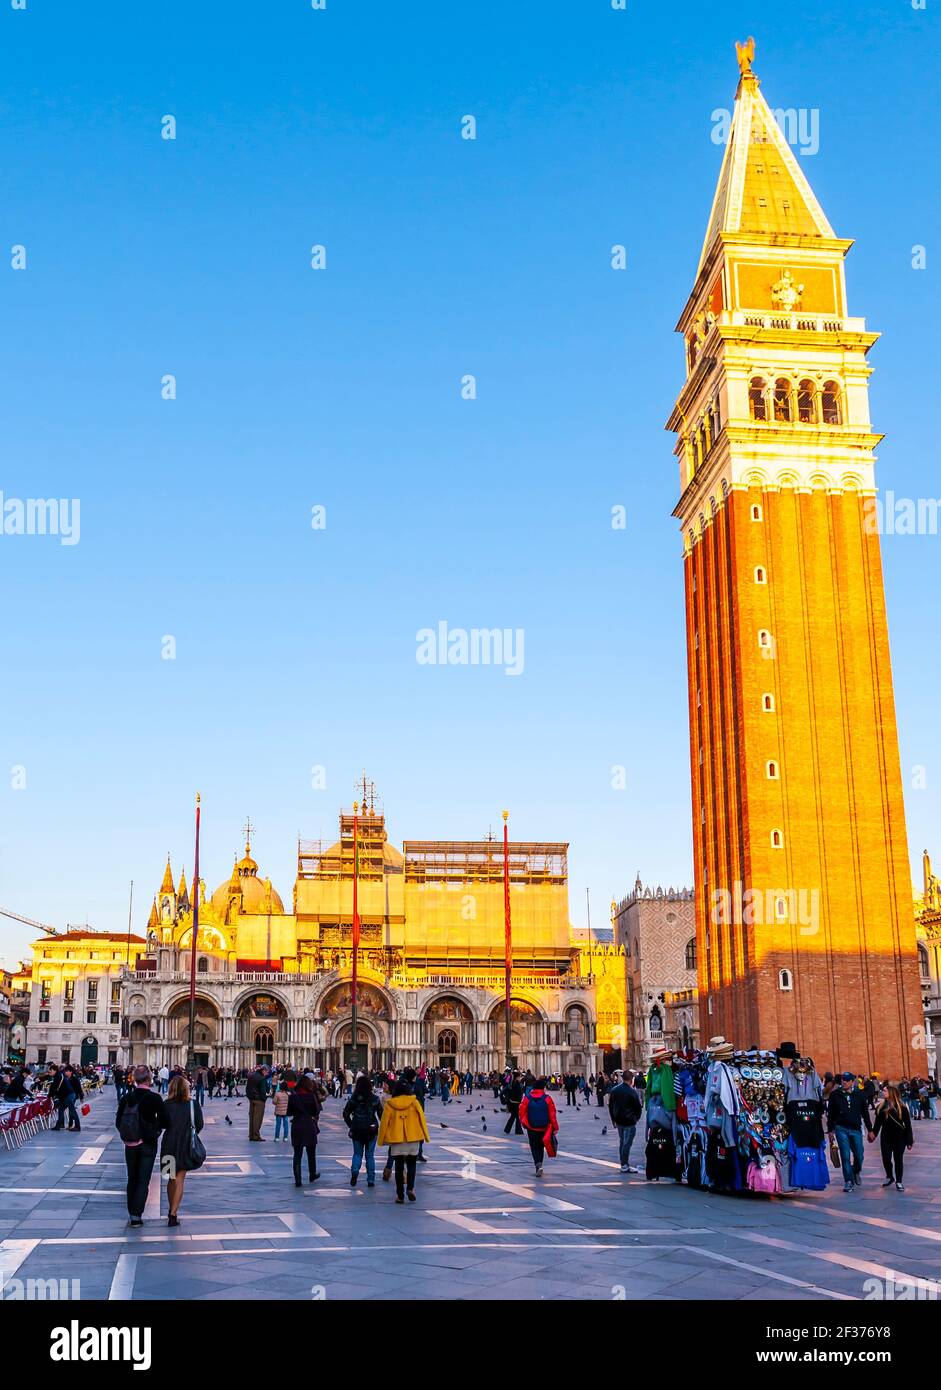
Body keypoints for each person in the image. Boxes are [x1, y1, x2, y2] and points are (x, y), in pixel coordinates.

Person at [116, 1064, 170, 1226]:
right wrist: (154, 1131)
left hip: (130, 1144)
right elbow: (166, 1121)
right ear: (149, 1079)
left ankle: (132, 1212)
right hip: (147, 1144)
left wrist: (129, 1136)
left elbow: (119, 1122)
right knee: (142, 1180)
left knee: (132, 1178)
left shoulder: (126, 1098)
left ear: (134, 1079)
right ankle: (136, 1216)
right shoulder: (154, 1098)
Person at [377, 1077, 430, 1203]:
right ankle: (410, 1188)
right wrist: (425, 1136)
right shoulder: (415, 1102)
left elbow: (384, 1123)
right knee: (412, 1165)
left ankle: (400, 1195)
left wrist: (381, 1140)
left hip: (397, 1139)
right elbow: (422, 1119)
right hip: (413, 1138)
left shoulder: (390, 1104)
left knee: (399, 1167)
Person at [161, 1073, 204, 1226]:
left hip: (169, 1144)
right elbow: (199, 1124)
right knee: (180, 1179)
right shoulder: (193, 1104)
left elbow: (162, 1124)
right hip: (185, 1144)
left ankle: (171, 1209)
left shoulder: (165, 1105)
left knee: (170, 1178)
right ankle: (173, 1214)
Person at [826, 1070, 874, 1193]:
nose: (844, 1082)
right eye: (843, 1079)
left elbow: (865, 1113)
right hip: (841, 1128)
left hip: (855, 1128)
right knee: (845, 1156)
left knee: (859, 1154)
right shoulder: (835, 1095)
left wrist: (870, 1130)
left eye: (847, 1080)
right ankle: (848, 1180)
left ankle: (856, 1170)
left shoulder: (859, 1094)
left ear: (853, 1082)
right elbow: (830, 1114)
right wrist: (830, 1130)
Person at [870, 1083, 914, 1191]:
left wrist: (910, 1140)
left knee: (898, 1159)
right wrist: (873, 1134)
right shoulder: (881, 1107)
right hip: (886, 1137)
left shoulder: (902, 1108)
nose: (882, 1092)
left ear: (891, 1093)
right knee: (886, 1158)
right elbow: (877, 1124)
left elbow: (908, 1125)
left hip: (900, 1138)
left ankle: (899, 1181)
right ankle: (889, 1176)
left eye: (885, 1091)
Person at [343, 1074, 383, 1187]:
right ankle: (371, 1180)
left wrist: (351, 1125)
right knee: (370, 1155)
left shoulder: (353, 1099)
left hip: (357, 1129)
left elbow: (345, 1114)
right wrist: (379, 1126)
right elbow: (381, 1115)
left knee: (357, 1153)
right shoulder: (375, 1098)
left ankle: (355, 1171)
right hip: (371, 1129)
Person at [518, 1077, 559, 1177]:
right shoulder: (547, 1098)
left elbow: (521, 1111)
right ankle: (540, 1163)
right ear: (542, 1088)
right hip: (544, 1127)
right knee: (541, 1146)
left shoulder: (527, 1098)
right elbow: (552, 1114)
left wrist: (524, 1123)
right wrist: (555, 1127)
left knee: (534, 1146)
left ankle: (538, 1164)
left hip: (531, 1127)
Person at [287, 1074, 322, 1186]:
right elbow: (316, 1111)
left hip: (297, 1125)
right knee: (311, 1152)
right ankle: (312, 1174)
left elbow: (289, 1113)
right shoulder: (311, 1096)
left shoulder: (293, 1097)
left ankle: (298, 1179)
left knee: (297, 1154)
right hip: (309, 1125)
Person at [607, 1070, 643, 1173]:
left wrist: (613, 1119)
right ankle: (624, 1164)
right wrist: (636, 1118)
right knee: (627, 1143)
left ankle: (623, 1163)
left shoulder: (614, 1090)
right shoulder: (632, 1092)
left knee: (622, 1142)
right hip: (629, 1122)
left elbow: (611, 1106)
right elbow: (638, 1108)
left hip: (619, 1121)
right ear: (631, 1079)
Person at [246, 1064, 269, 1142]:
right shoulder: (262, 1078)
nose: (267, 1074)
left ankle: (251, 1135)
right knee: (257, 1119)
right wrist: (264, 1098)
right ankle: (256, 1136)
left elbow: (247, 1088)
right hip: (259, 1100)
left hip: (251, 1099)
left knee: (252, 1118)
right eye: (267, 1072)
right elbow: (263, 1091)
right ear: (263, 1070)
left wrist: (249, 1097)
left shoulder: (251, 1076)